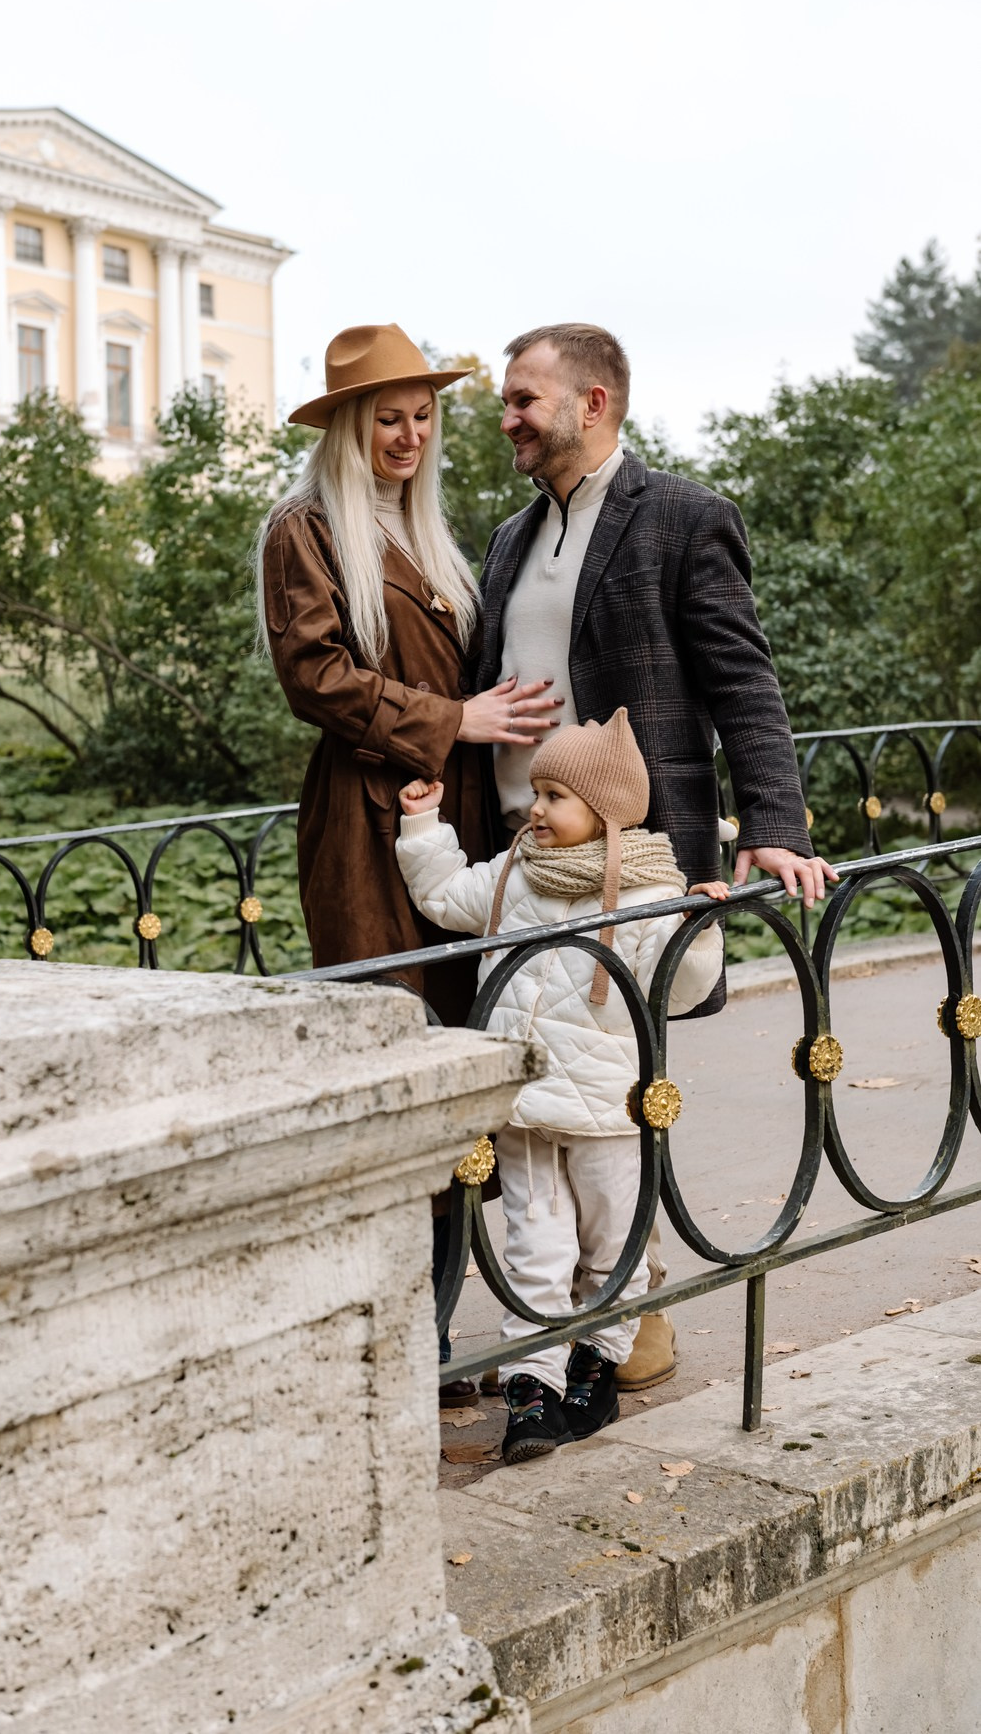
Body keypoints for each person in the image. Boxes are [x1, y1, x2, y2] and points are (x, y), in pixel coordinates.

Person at [479, 322, 839, 1392]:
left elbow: (743, 681)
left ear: (592, 404)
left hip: (628, 870)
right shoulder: (508, 538)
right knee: (543, 1105)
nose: (506, 417)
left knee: (618, 1101)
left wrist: (775, 818)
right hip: (520, 866)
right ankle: (578, 1321)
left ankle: (630, 1317)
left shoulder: (682, 517)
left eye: (523, 399)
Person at [258, 323, 560, 1401]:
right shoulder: (304, 529)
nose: (409, 433)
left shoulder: (430, 534)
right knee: (396, 1068)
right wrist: (453, 719)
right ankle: (397, 1348)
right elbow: (318, 679)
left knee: (463, 1073)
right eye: (388, 415)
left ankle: (432, 1333)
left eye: (424, 415)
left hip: (454, 823)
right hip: (366, 827)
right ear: (347, 425)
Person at [397, 710, 726, 1462]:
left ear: (605, 812)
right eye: (536, 792)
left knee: (613, 1247)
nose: (536, 809)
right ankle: (533, 1385)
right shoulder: (516, 873)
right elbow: (447, 895)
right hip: (522, 1109)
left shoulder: (647, 894)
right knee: (535, 1251)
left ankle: (596, 1362)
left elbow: (676, 990)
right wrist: (423, 829)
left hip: (607, 1112)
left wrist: (700, 928)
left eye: (555, 797)